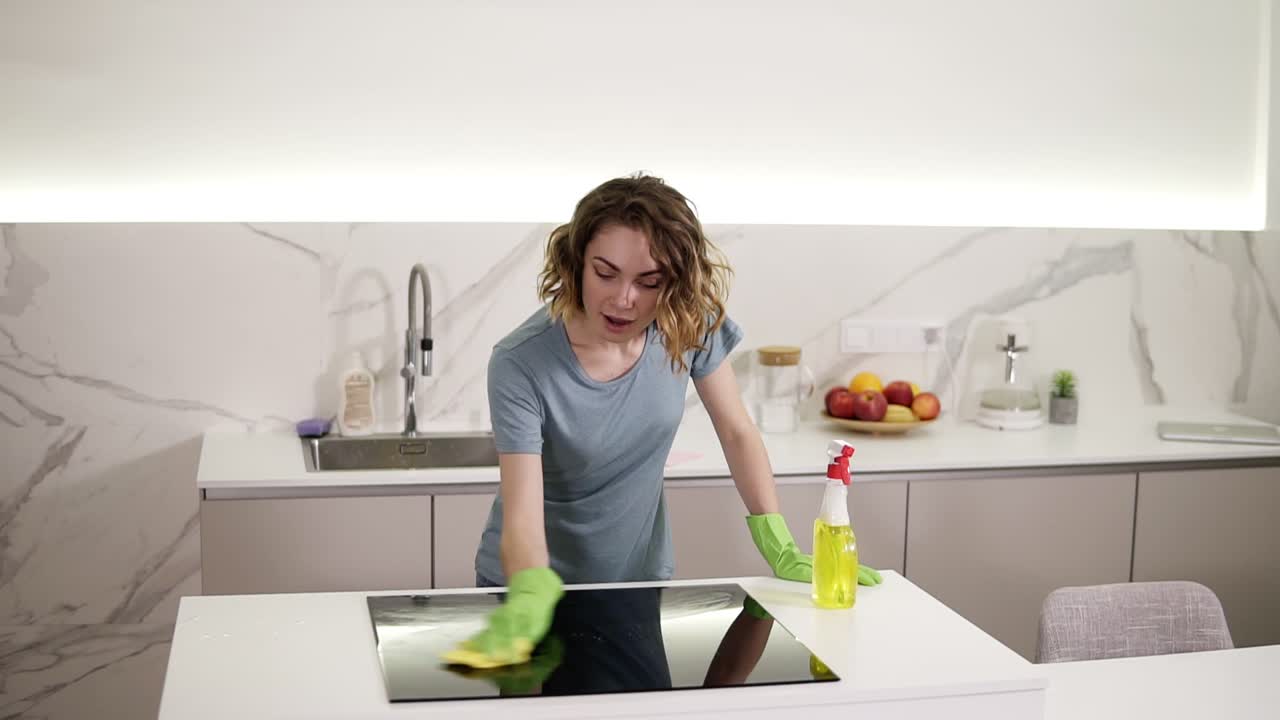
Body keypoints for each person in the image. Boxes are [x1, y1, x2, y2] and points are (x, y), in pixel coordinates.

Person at [445, 174, 881, 668]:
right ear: (576, 262)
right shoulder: (522, 362)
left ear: (673, 283)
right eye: (605, 273)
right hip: (531, 592)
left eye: (649, 282)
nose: (624, 299)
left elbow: (737, 432)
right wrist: (528, 596)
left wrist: (777, 543)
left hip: (637, 585)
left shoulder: (685, 325)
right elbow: (522, 510)